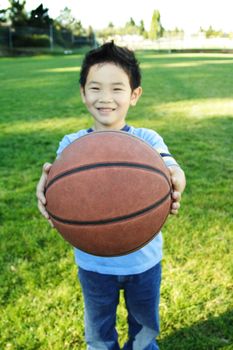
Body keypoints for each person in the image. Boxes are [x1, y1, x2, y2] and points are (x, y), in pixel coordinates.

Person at [36, 41, 186, 350]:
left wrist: (176, 179)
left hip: (144, 262)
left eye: (117, 89)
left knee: (144, 327)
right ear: (82, 93)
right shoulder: (72, 145)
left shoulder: (147, 140)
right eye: (95, 88)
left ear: (134, 95)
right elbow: (58, 184)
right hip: (94, 264)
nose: (106, 98)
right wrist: (46, 189)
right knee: (99, 331)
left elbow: (172, 168)